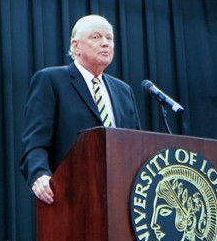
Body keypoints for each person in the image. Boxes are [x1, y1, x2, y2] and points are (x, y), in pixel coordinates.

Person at [20, 14, 141, 204]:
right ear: (76, 46)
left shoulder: (124, 91)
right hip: (69, 197)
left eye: (109, 38)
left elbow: (136, 146)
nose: (105, 43)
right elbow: (35, 142)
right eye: (96, 37)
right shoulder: (51, 81)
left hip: (120, 198)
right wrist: (40, 175)